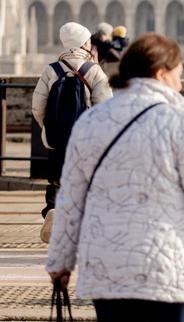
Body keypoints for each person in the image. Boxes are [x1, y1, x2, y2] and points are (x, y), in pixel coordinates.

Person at [45, 33, 184, 321]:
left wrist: (60, 261)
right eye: (178, 76)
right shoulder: (181, 123)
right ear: (160, 73)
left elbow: (70, 200)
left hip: (108, 273)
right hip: (167, 272)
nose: (181, 85)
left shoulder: (91, 122)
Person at [32, 22, 112, 243]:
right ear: (83, 43)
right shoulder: (93, 70)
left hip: (57, 140)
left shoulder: (51, 70)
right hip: (85, 140)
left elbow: (37, 107)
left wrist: (48, 129)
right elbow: (106, 109)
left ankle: (53, 211)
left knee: (57, 180)